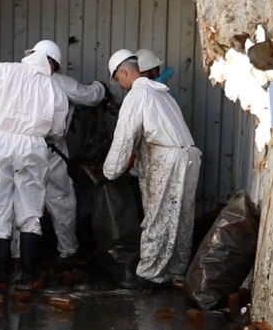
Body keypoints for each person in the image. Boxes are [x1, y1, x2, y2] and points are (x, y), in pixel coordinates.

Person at [0, 40, 68, 284]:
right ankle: (27, 275)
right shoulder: (53, 87)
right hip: (33, 145)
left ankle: (1, 276)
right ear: (52, 61)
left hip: (0, 141)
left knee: (0, 205)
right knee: (31, 209)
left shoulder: (6, 70)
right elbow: (58, 130)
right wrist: (43, 137)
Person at [103, 48, 201, 287]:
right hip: (188, 156)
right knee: (181, 218)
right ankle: (175, 272)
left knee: (157, 217)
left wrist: (110, 171)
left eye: (119, 80)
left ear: (124, 72)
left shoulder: (137, 95)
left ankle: (148, 274)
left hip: (167, 160)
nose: (120, 85)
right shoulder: (162, 93)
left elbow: (124, 138)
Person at [45, 72, 105, 260]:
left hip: (17, 147)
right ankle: (68, 250)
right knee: (60, 196)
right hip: (51, 147)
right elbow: (88, 95)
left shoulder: (13, 77)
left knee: (20, 200)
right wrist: (100, 87)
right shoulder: (56, 79)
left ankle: (17, 256)